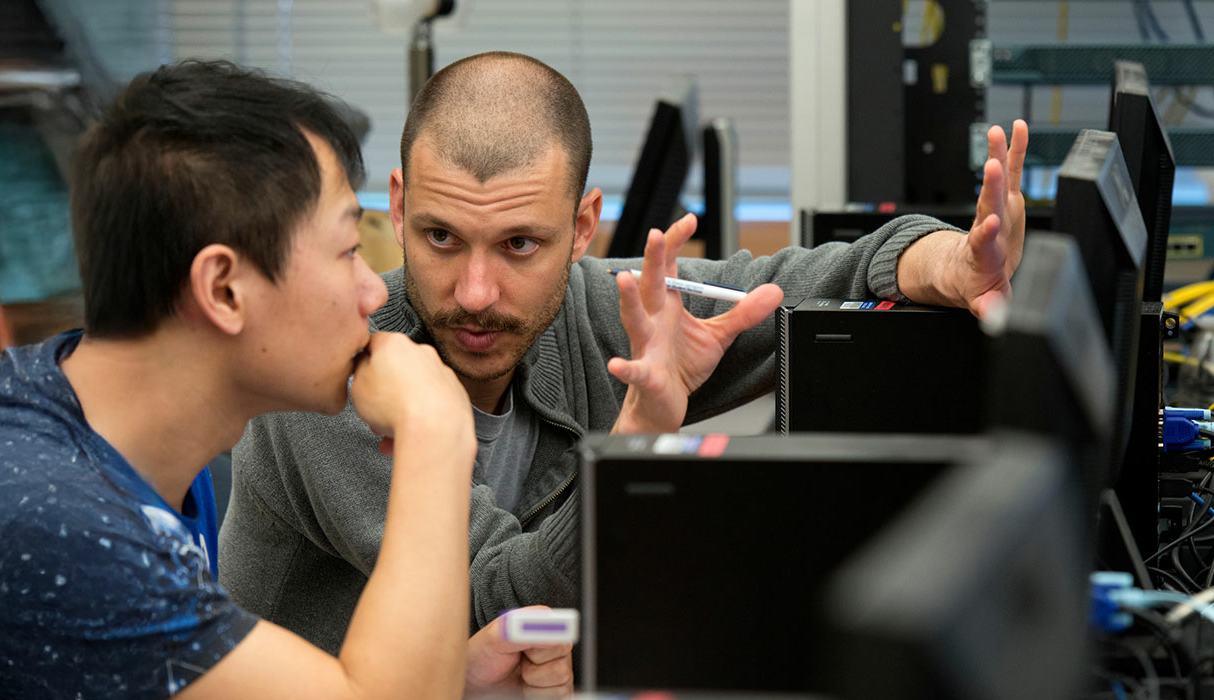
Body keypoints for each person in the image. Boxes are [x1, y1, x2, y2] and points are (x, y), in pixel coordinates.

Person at [0, 60, 573, 700]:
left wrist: (449, 677)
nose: (375, 292)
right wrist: (435, 431)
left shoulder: (88, 416)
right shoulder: (48, 519)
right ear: (224, 289)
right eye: (345, 251)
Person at [219, 50, 1030, 652]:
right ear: (397, 206)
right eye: (440, 236)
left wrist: (946, 261)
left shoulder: (590, 307)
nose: (473, 291)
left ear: (582, 230)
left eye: (519, 245)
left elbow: (804, 280)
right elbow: (496, 607)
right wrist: (642, 428)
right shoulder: (331, 378)